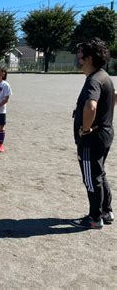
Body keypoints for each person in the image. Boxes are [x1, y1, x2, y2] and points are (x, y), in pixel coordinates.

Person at [71, 38, 114, 229]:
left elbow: (91, 106)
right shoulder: (104, 75)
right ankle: (106, 211)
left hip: (91, 139)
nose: (77, 59)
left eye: (79, 55)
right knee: (99, 173)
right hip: (104, 134)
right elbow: (114, 96)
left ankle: (95, 218)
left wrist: (86, 129)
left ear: (88, 58)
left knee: (91, 178)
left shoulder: (94, 80)